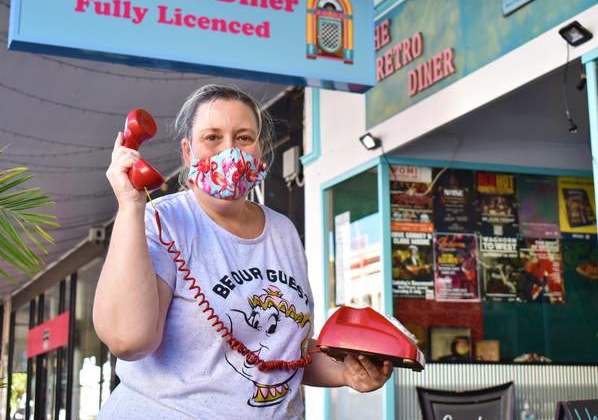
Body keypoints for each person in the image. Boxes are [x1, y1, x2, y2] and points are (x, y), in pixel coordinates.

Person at [93, 85, 393, 419]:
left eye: (244, 137)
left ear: (260, 150)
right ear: (188, 152)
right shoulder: (161, 221)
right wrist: (131, 206)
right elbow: (128, 340)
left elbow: (284, 350)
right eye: (212, 137)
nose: (229, 151)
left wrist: (345, 373)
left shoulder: (283, 232)